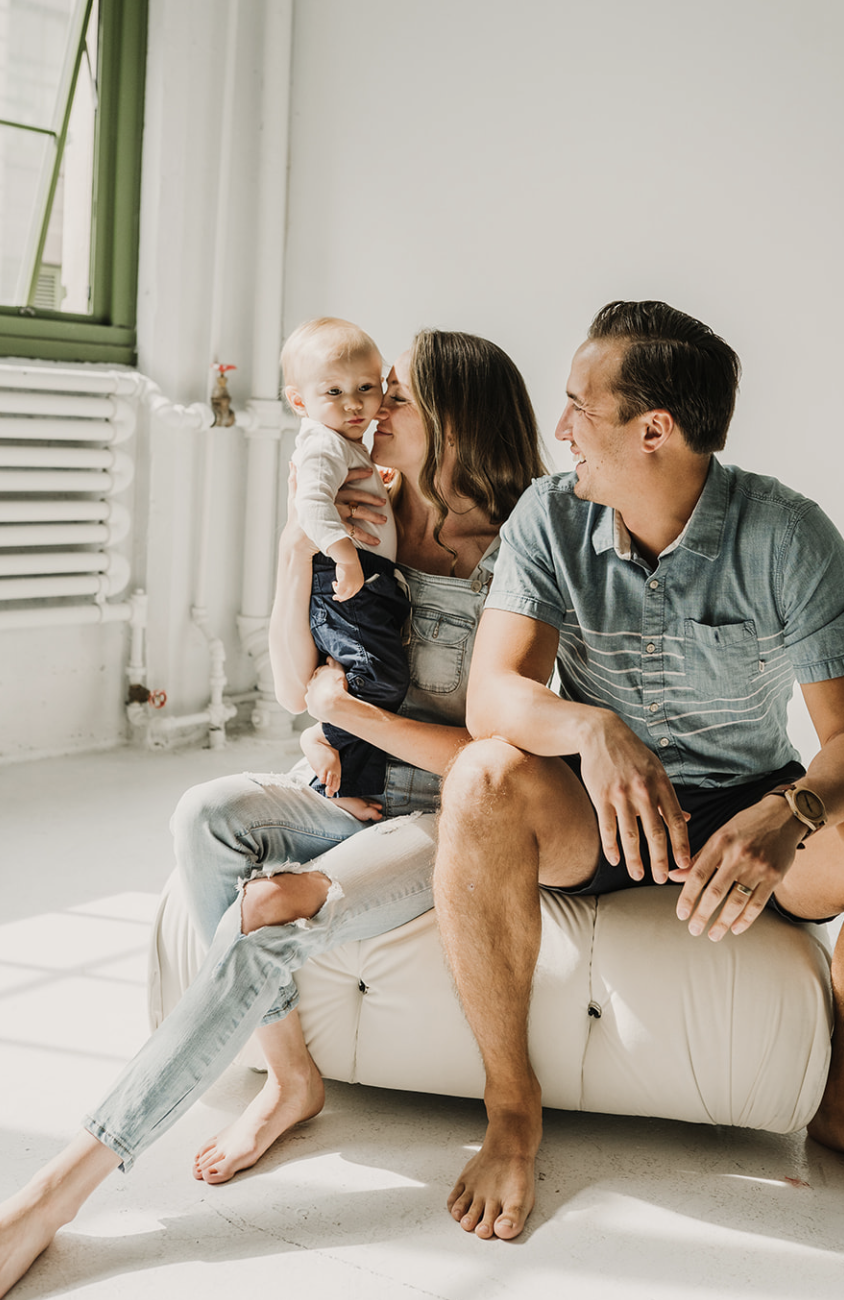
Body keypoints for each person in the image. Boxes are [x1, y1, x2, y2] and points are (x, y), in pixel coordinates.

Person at [0, 329, 545, 1300]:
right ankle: (290, 1076)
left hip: (453, 814)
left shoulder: (520, 556)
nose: (372, 411)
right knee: (206, 812)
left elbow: (495, 766)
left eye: (397, 399)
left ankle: (56, 1191)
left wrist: (353, 715)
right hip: (352, 782)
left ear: (454, 422)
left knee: (270, 916)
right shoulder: (365, 505)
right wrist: (300, 548)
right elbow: (300, 686)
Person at [434, 299, 844, 1242]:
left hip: (751, 811)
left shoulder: (790, 537)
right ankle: (512, 1108)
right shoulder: (550, 516)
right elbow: (494, 699)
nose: (559, 430)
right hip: (597, 813)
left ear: (654, 431)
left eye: (577, 409)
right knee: (480, 777)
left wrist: (791, 812)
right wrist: (593, 729)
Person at [281, 315, 409, 810]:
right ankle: (329, 759)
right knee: (376, 677)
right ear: (300, 402)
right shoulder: (322, 444)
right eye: (333, 391)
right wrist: (343, 555)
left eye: (367, 388)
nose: (355, 403)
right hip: (342, 576)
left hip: (361, 575)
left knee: (375, 676)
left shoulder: (345, 445)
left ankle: (341, 763)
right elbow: (310, 506)